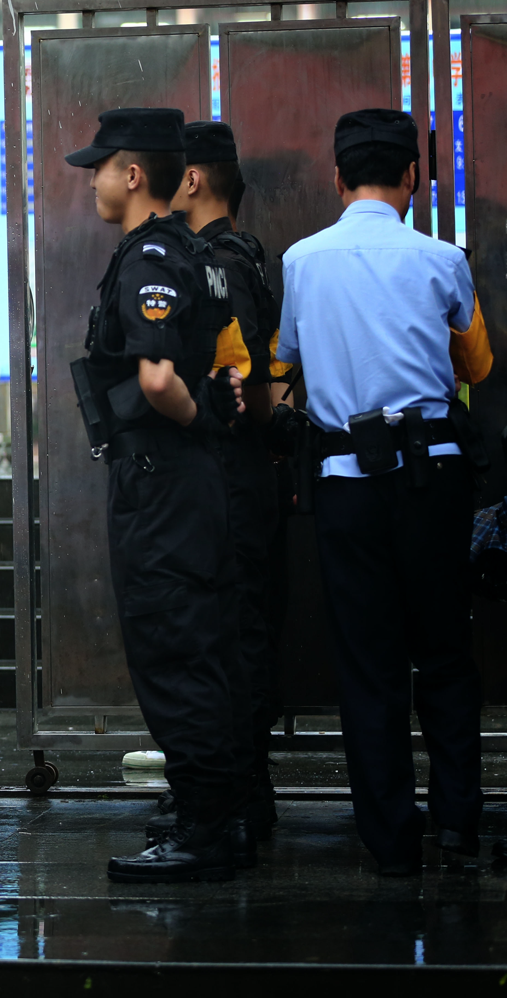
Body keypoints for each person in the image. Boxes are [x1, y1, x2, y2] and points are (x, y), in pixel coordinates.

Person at [274, 109, 494, 875]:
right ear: (414, 177)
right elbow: (479, 366)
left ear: (337, 179)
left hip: (345, 486)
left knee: (368, 666)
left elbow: (288, 360)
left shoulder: (302, 261)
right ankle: (460, 827)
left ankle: (392, 844)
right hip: (433, 481)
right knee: (443, 655)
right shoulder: (442, 260)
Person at [65, 108, 245, 883]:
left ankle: (204, 832)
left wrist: (196, 418)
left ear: (132, 174)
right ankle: (212, 814)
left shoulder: (150, 258)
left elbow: (159, 378)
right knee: (194, 645)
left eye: (100, 168)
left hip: (161, 482)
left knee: (171, 648)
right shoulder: (199, 255)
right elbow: (231, 364)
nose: (95, 183)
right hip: (183, 485)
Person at [156, 120, 283, 845]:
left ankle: (235, 796)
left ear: (195, 178)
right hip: (245, 475)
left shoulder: (216, 265)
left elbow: (238, 381)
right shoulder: (244, 258)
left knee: (226, 636)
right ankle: (243, 791)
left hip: (227, 476)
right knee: (241, 632)